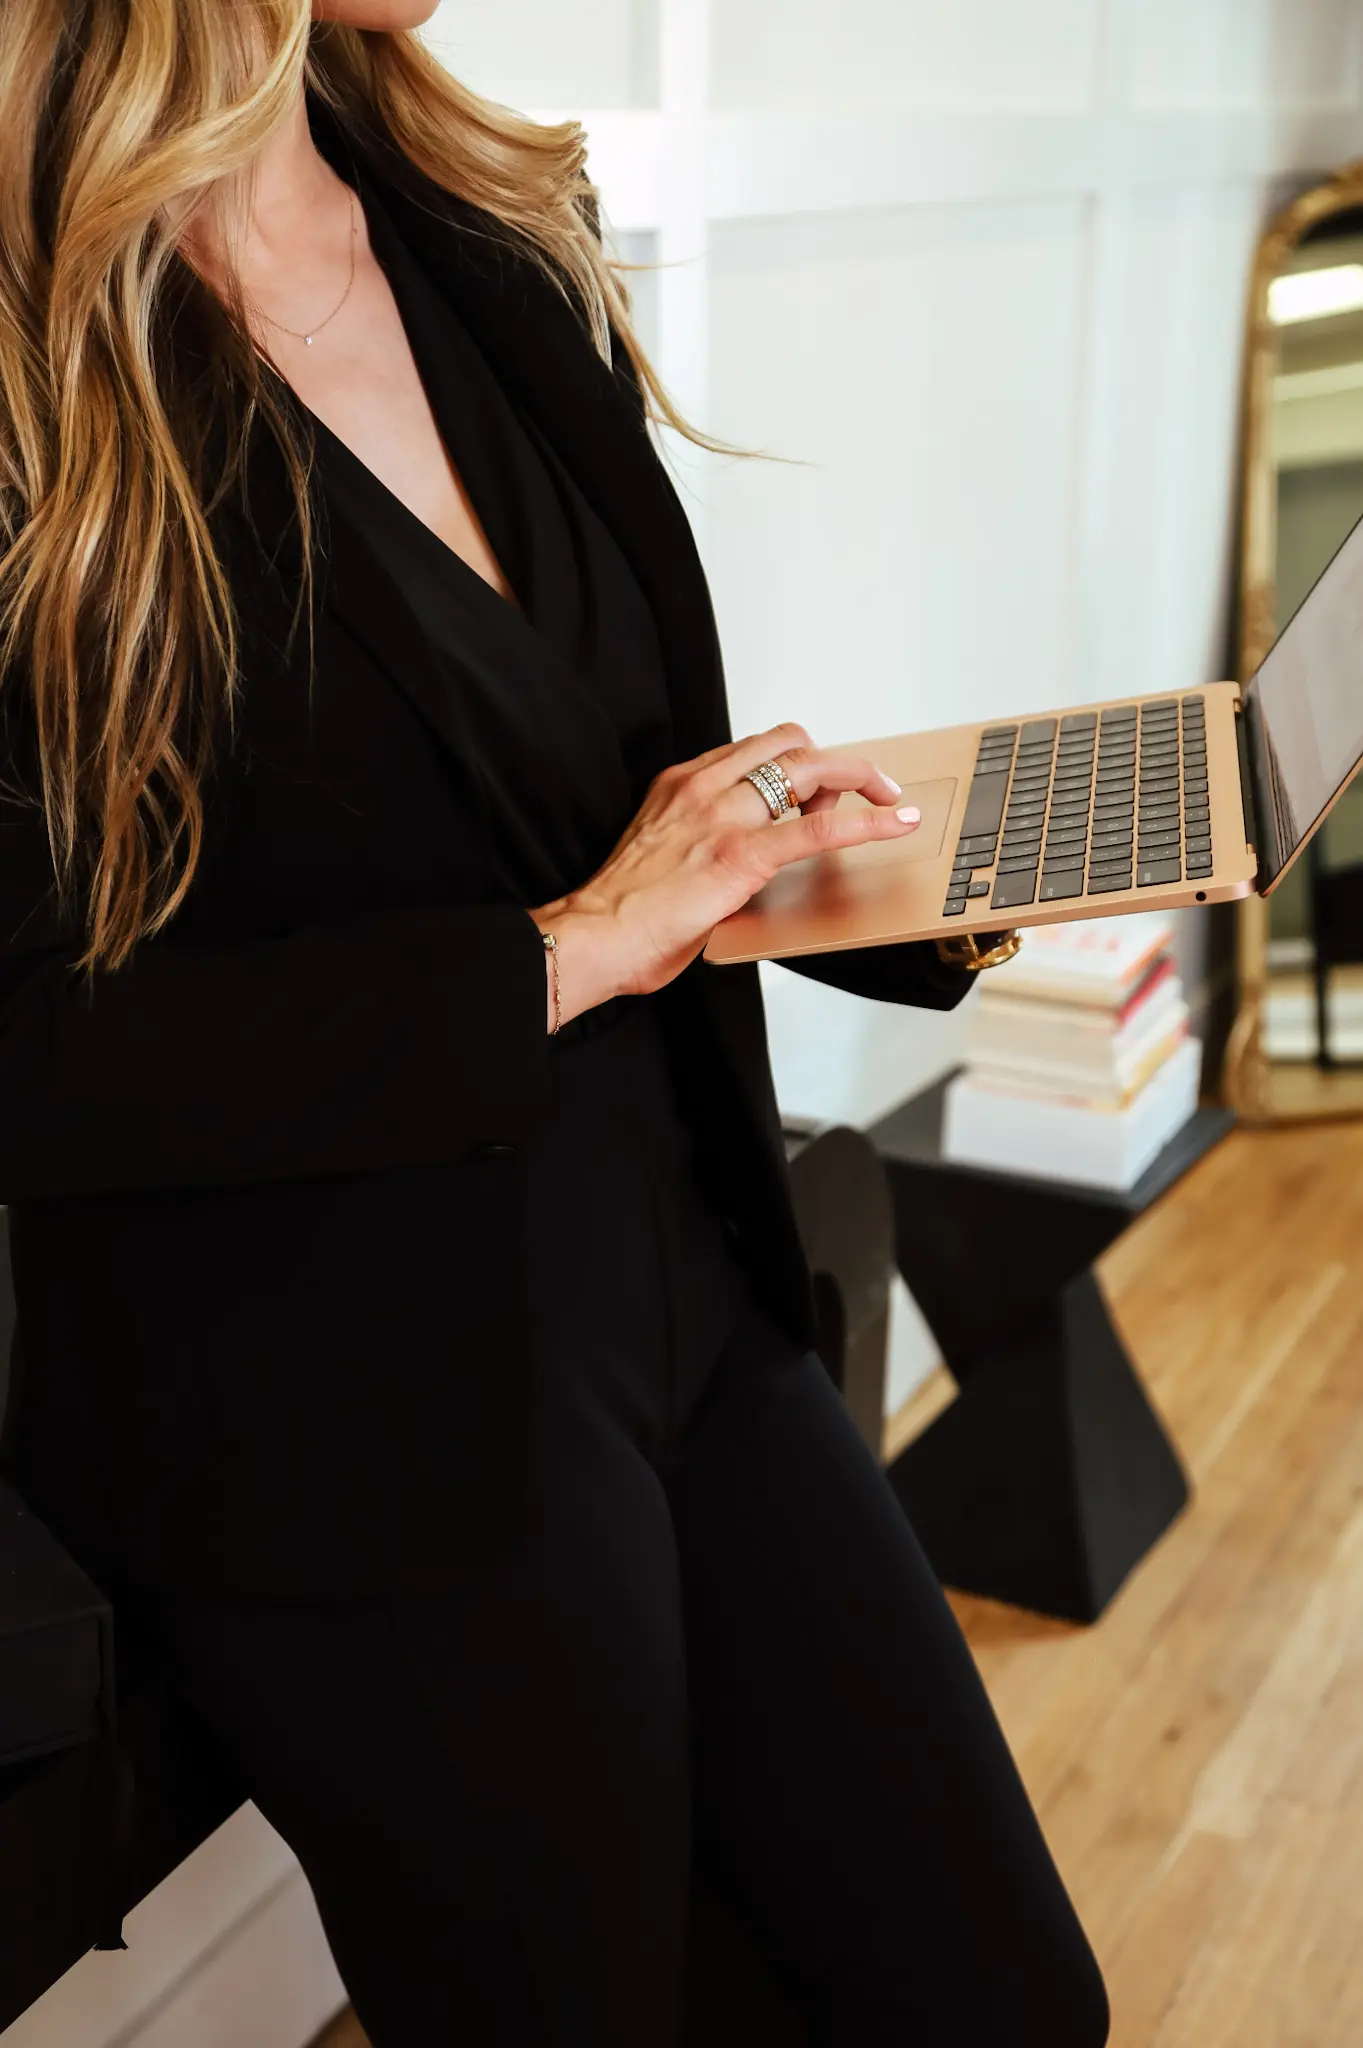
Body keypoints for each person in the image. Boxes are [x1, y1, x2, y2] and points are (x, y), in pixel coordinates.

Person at [0, 3, 1110, 2043]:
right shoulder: (27, 339)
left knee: (1003, 1997)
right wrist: (563, 947)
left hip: (678, 1274)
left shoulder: (480, 224)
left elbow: (609, 807)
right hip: (338, 1404)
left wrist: (905, 882)